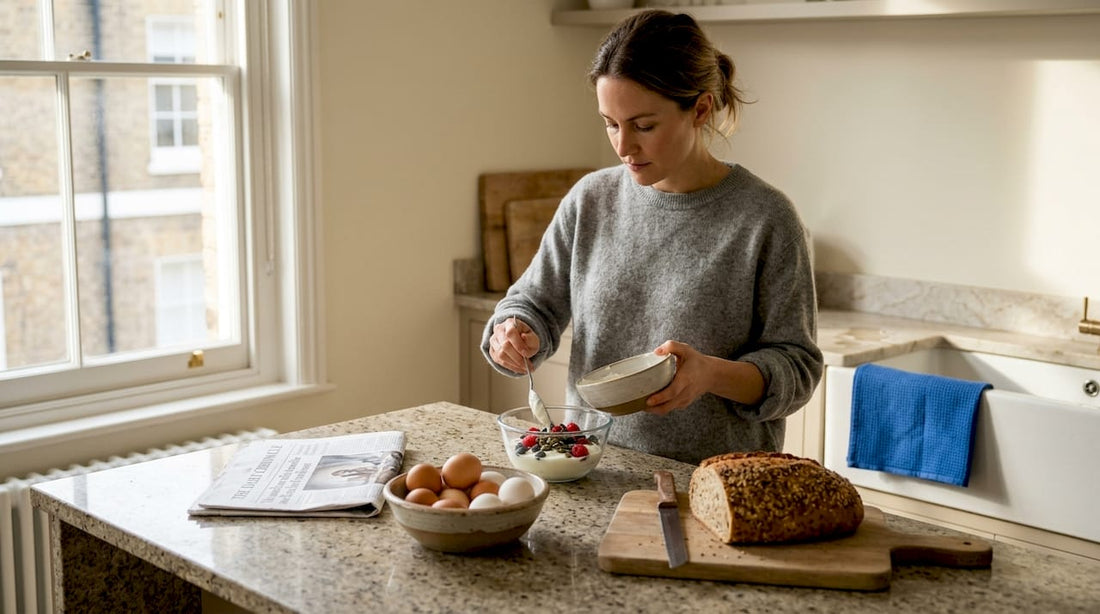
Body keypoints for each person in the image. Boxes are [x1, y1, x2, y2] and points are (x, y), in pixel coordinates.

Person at [481, 9, 822, 465]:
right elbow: (532, 304)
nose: (624, 146)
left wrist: (709, 375)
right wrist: (514, 332)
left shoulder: (765, 218)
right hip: (593, 470)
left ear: (700, 109)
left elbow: (796, 368)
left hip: (713, 486)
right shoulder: (591, 199)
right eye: (610, 123)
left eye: (644, 126)